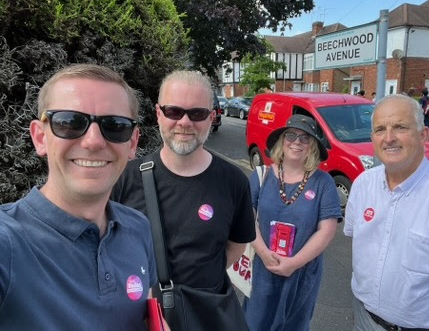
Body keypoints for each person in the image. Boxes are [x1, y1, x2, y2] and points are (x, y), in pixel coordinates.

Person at [0, 64, 161, 330]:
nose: (94, 141)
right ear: (40, 137)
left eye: (115, 126)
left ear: (132, 144)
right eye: (70, 122)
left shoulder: (138, 227)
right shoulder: (7, 243)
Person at [111, 70, 255, 329]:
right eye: (174, 111)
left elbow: (236, 245)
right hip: (142, 314)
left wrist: (204, 272)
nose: (185, 122)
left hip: (208, 314)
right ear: (158, 114)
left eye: (197, 113)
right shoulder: (126, 178)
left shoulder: (234, 181)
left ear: (211, 117)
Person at [344, 94, 429, 331]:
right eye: (380, 129)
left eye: (400, 127)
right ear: (372, 138)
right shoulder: (363, 184)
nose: (389, 138)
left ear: (423, 135)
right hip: (364, 318)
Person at [243, 114, 342, 331]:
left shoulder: (323, 182)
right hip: (263, 268)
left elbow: (326, 230)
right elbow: (247, 218)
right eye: (291, 135)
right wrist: (263, 253)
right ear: (282, 140)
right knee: (255, 323)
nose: (297, 142)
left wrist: (294, 263)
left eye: (305, 138)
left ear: (313, 146)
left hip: (302, 272)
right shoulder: (261, 175)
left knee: (293, 325)